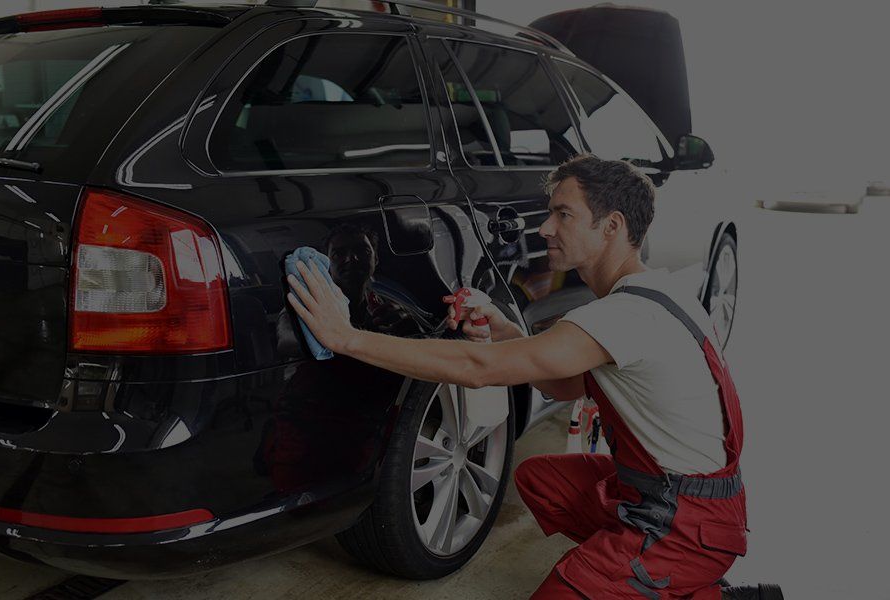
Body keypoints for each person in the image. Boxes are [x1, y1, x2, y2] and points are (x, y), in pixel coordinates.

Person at [285, 154, 749, 599]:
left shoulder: (625, 317)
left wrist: (346, 338)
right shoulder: (654, 295)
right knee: (540, 481)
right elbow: (559, 383)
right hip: (684, 498)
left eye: (563, 214)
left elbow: (477, 368)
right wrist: (506, 329)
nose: (545, 228)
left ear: (611, 227)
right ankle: (644, 575)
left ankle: (674, 581)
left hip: (683, 522)